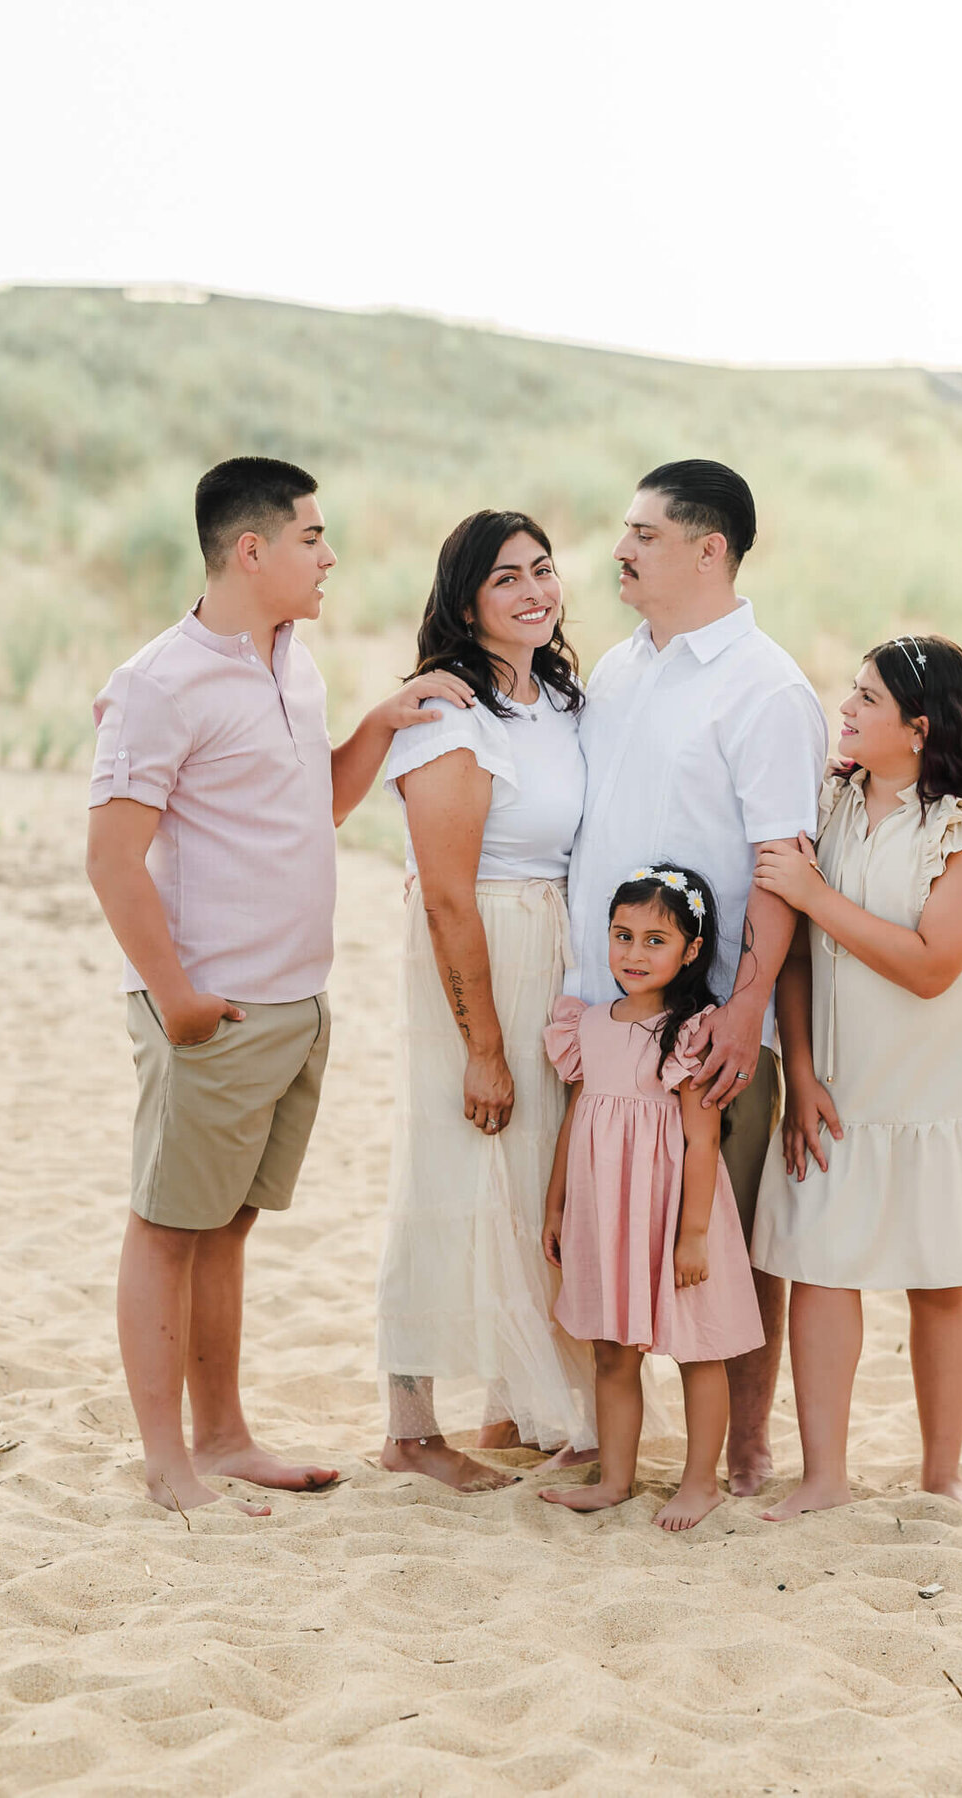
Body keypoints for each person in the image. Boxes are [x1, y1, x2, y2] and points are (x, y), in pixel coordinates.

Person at [87, 456, 474, 1516]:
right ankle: (170, 1463)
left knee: (226, 1227)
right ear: (250, 551)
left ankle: (223, 1435)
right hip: (210, 1011)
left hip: (295, 1005)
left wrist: (382, 724)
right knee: (165, 1228)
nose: (329, 553)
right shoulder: (158, 684)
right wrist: (177, 1001)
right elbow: (115, 859)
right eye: (312, 536)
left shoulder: (290, 657)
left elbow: (313, 808)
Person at [565, 459, 827, 1494]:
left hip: (710, 1020)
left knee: (728, 1234)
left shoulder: (767, 688)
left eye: (644, 533)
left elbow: (781, 862)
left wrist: (745, 1009)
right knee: (612, 1216)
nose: (620, 549)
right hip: (607, 1006)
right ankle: (609, 1432)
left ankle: (749, 1444)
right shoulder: (620, 665)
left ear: (709, 548)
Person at [750, 635, 962, 1519]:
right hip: (842, 1075)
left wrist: (813, 895)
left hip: (942, 1080)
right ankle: (824, 1477)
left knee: (940, 1272)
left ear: (919, 728)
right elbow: (797, 957)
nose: (844, 709)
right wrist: (801, 1074)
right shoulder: (832, 802)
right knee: (820, 1260)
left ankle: (940, 1474)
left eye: (867, 700)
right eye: (851, 692)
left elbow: (932, 964)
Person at [376, 510, 596, 1493]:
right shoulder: (448, 717)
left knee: (533, 1175)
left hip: (552, 946)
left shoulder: (557, 696)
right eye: (507, 578)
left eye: (543, 570)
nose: (534, 591)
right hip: (480, 951)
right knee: (452, 1165)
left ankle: (514, 1403)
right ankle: (411, 1427)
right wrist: (484, 1044)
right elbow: (448, 893)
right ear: (466, 601)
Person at [540, 867, 765, 1529]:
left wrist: (693, 1234)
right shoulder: (588, 1025)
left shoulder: (691, 1031)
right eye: (622, 936)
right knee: (611, 1348)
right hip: (606, 1209)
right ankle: (615, 1478)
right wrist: (556, 1205)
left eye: (655, 940)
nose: (634, 954)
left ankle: (702, 1482)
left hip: (673, 1210)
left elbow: (701, 1143)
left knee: (699, 1347)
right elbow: (575, 1119)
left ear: (691, 951)